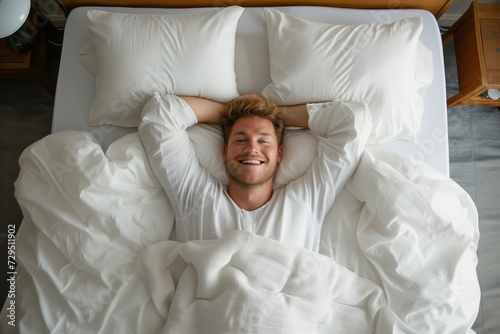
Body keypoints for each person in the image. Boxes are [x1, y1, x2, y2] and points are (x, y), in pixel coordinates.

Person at [138, 92, 371, 252]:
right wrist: (230, 111)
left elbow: (354, 119)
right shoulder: (196, 196)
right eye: (240, 139)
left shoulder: (306, 200)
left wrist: (276, 113)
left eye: (263, 140)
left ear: (279, 154)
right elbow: (160, 115)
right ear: (224, 152)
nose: (251, 148)